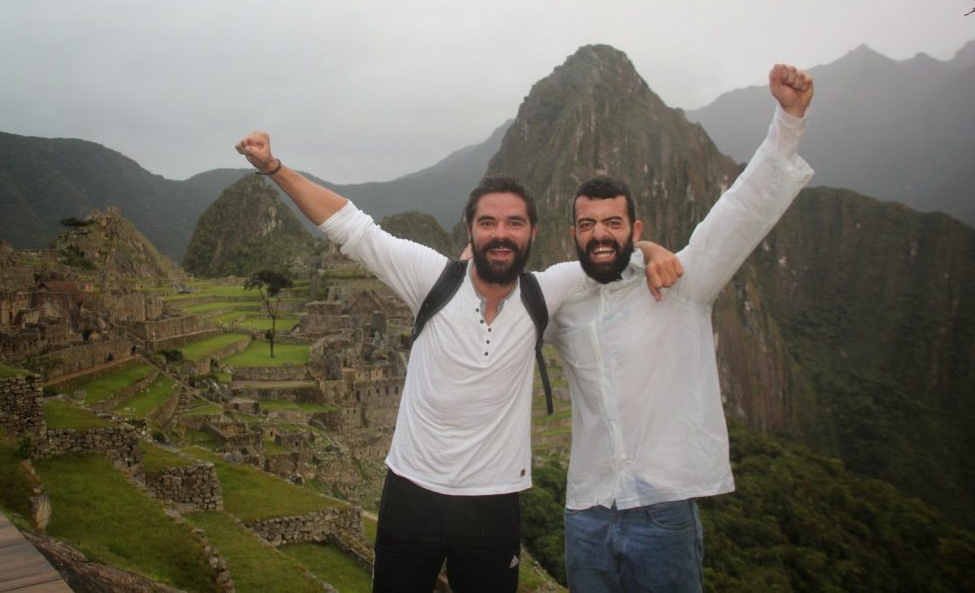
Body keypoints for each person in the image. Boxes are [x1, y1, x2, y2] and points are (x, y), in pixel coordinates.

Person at [235, 134, 674, 592]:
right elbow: (352, 228)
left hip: (494, 503)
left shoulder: (545, 291)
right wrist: (274, 167)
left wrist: (652, 251)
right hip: (411, 493)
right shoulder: (431, 279)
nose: (500, 233)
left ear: (533, 233)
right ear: (470, 230)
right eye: (487, 222)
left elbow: (606, 251)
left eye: (514, 223)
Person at [549, 64, 815, 592]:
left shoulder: (681, 285)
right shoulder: (562, 301)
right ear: (574, 233)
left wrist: (788, 119)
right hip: (588, 513)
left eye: (613, 224)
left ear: (635, 229)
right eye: (587, 224)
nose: (599, 234)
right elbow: (497, 300)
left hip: (662, 513)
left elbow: (739, 213)